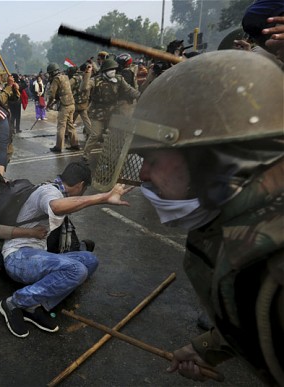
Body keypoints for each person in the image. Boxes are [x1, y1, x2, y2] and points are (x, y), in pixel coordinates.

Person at [114, 50, 283, 385]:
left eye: (152, 158)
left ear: (212, 159)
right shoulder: (233, 223)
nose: (144, 174)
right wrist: (209, 347)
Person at [0, 158, 132, 338]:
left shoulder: (56, 189)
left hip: (35, 254)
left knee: (90, 260)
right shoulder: (49, 191)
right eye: (84, 190)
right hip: (18, 257)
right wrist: (103, 197)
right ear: (81, 185)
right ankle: (15, 302)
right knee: (76, 270)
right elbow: (56, 207)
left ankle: (36, 305)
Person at [82, 59, 140, 157]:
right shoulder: (95, 80)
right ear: (104, 70)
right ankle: (85, 156)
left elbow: (129, 90)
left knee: (114, 136)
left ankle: (110, 157)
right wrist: (87, 73)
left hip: (112, 112)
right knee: (96, 135)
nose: (113, 71)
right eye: (110, 69)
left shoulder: (119, 79)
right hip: (97, 112)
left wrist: (141, 96)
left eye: (114, 69)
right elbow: (84, 88)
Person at [46, 63, 79, 153]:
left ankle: (58, 147)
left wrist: (48, 104)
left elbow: (52, 94)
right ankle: (75, 144)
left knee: (61, 126)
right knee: (70, 125)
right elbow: (63, 92)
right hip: (71, 103)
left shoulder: (56, 79)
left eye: (50, 73)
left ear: (52, 72)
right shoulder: (65, 76)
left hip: (64, 106)